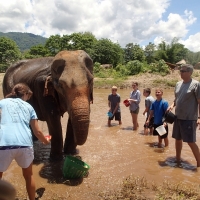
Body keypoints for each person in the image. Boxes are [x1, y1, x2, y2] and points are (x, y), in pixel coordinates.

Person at [0, 83, 51, 200]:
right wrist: (45, 141)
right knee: (28, 175)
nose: (28, 99)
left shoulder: (2, 103)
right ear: (26, 94)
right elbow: (37, 132)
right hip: (25, 145)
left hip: (3, 144)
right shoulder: (29, 107)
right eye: (29, 96)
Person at [168, 64, 200, 167]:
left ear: (190, 72)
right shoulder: (178, 84)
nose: (181, 72)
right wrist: (172, 105)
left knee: (190, 141)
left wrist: (199, 117)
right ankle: (178, 160)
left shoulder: (196, 84)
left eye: (183, 71)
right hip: (178, 117)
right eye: (180, 71)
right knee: (177, 139)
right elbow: (177, 98)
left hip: (189, 118)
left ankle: (199, 164)